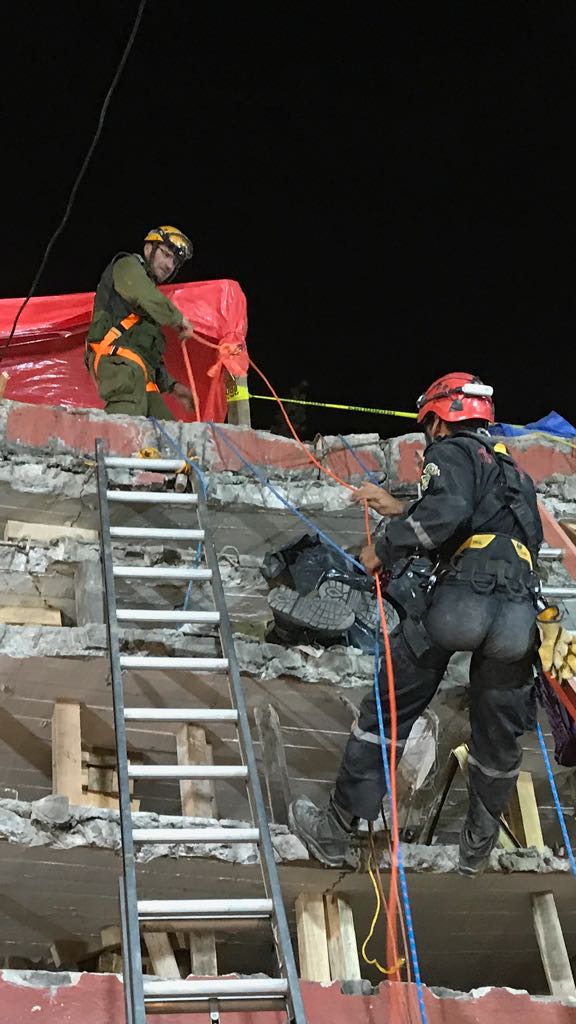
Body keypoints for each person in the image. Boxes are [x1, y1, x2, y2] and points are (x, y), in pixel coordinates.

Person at [289, 371, 544, 875]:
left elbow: (445, 512)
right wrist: (398, 507)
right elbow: (480, 524)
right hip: (516, 616)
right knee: (498, 735)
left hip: (460, 605)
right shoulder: (515, 473)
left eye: (428, 424)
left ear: (440, 419)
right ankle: (476, 850)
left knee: (388, 712)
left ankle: (336, 831)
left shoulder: (452, 453)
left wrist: (380, 549)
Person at [86, 225, 201, 419]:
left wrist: (172, 386)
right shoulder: (126, 266)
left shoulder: (150, 303)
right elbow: (142, 292)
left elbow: (146, 348)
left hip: (139, 371)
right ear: (149, 249)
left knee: (169, 431)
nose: (169, 265)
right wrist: (178, 318)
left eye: (174, 262)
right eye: (165, 254)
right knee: (127, 431)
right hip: (119, 363)